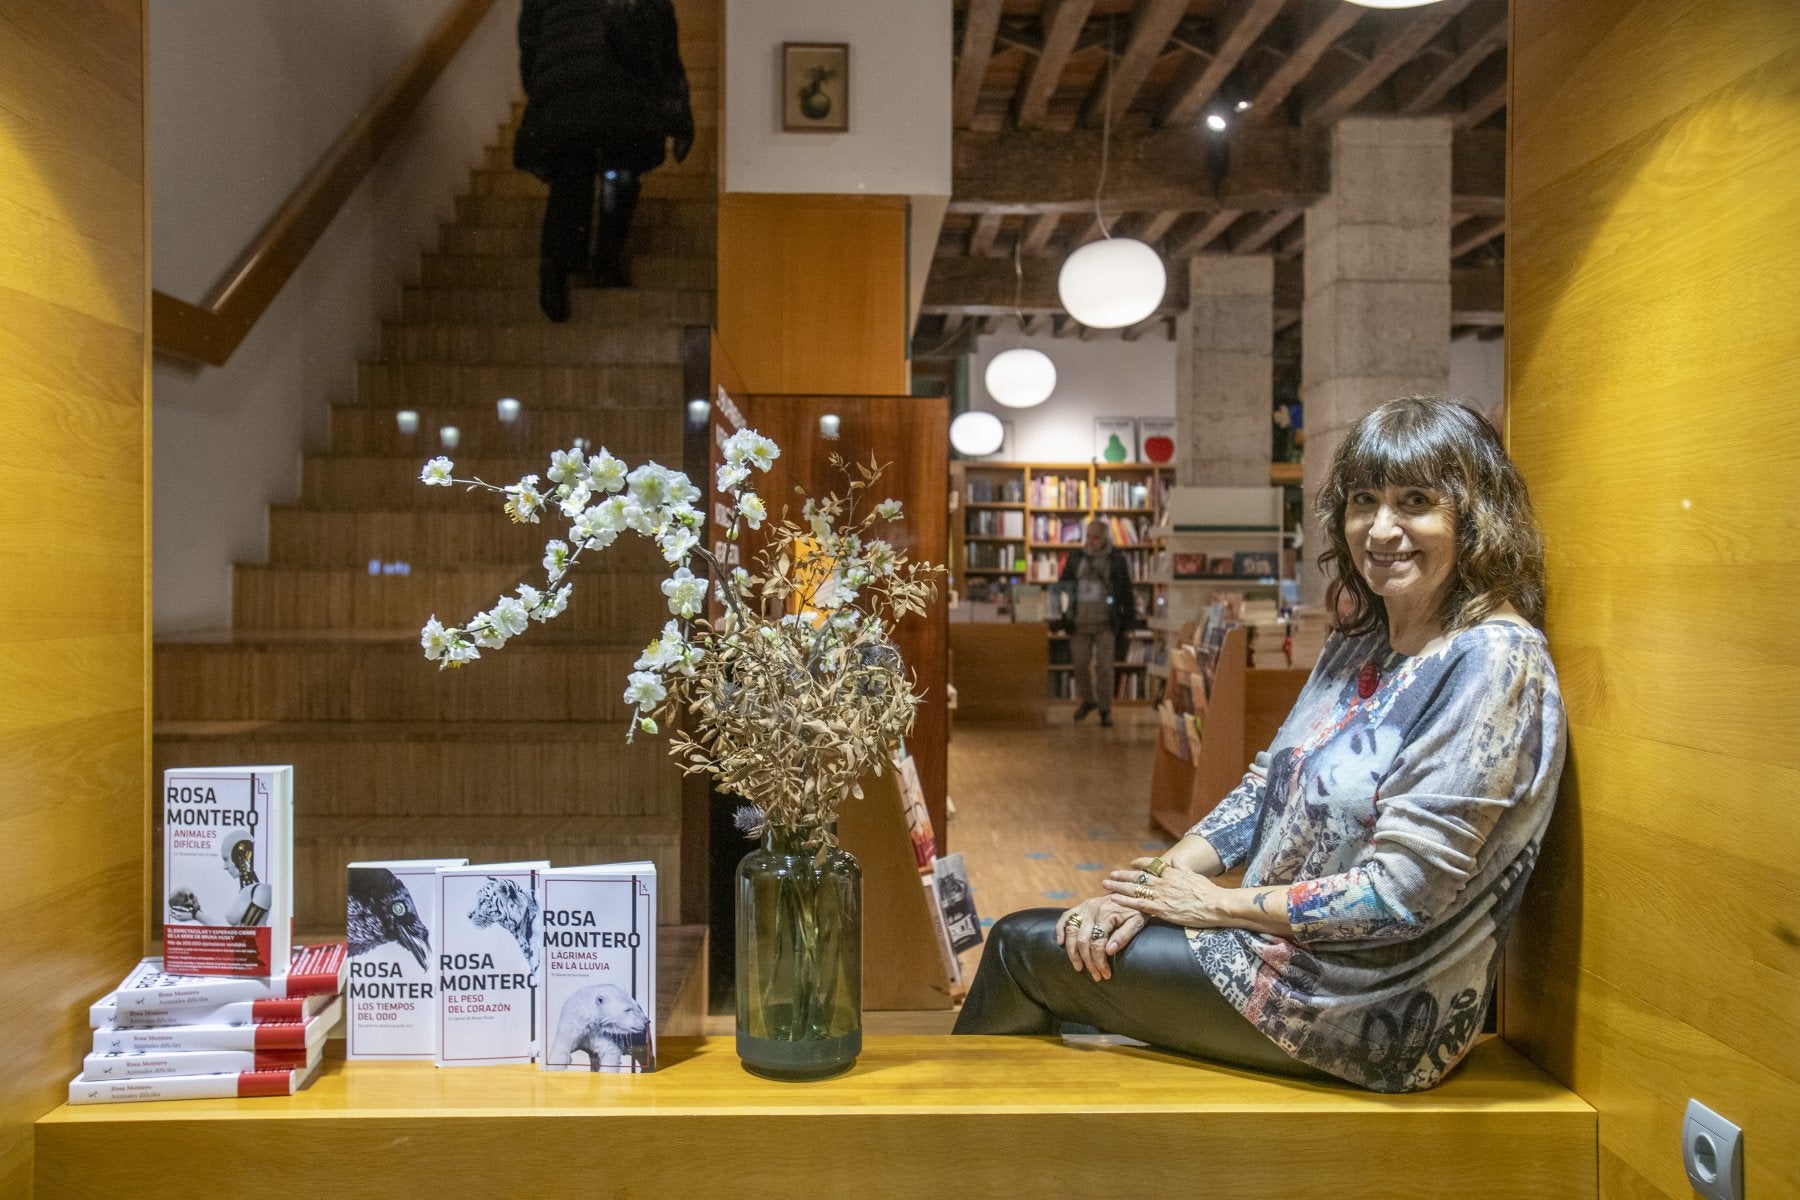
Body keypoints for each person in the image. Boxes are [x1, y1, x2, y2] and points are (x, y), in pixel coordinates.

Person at [955, 397, 1568, 1093]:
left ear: (1475, 513)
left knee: (1019, 947)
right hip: (1279, 956)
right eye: (1364, 501)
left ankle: (942, 1162)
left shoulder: (1491, 662)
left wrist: (1212, 906)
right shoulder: (1361, 641)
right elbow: (1261, 789)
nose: (1382, 528)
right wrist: (1148, 891)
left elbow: (1400, 897)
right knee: (1085, 938)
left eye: (1417, 502)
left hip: (1364, 1005)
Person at [514, 0, 694, 321]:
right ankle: (605, 259)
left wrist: (537, 79)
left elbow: (530, 24)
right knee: (619, 172)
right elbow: (664, 35)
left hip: (567, 73)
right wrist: (679, 116)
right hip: (624, 77)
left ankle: (558, 267)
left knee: (572, 171)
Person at [1057, 520, 1137, 727]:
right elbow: (1063, 586)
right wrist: (1063, 615)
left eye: (1095, 537)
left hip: (1105, 623)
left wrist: (1129, 622)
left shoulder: (1116, 559)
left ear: (1105, 538)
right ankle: (1089, 700)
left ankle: (1105, 710)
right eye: (1088, 536)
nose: (1091, 541)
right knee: (1080, 665)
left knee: (1105, 669)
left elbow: (1126, 591)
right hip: (1079, 622)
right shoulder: (1076, 558)